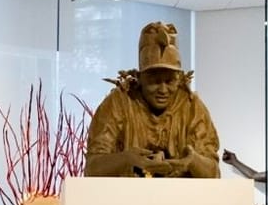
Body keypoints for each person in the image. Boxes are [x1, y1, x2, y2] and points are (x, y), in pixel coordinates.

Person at [84, 22, 221, 178]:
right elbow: (92, 168)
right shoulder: (119, 103)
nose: (163, 90)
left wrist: (192, 161)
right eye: (154, 81)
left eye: (169, 81)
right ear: (139, 77)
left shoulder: (192, 107)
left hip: (182, 199)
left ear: (180, 79)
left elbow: (214, 172)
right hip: (125, 199)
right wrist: (127, 159)